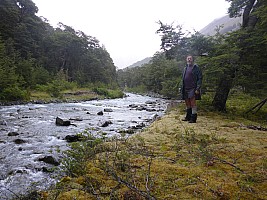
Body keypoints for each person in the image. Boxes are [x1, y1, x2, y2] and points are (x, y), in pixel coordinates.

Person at [179, 55, 202, 123]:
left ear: (192, 60)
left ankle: (193, 118)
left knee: (192, 102)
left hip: (193, 88)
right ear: (186, 60)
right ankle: (188, 117)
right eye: (188, 59)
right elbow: (183, 79)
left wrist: (198, 88)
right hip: (185, 87)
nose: (189, 60)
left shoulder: (196, 68)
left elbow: (200, 78)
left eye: (190, 59)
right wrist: (181, 87)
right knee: (187, 102)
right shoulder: (185, 68)